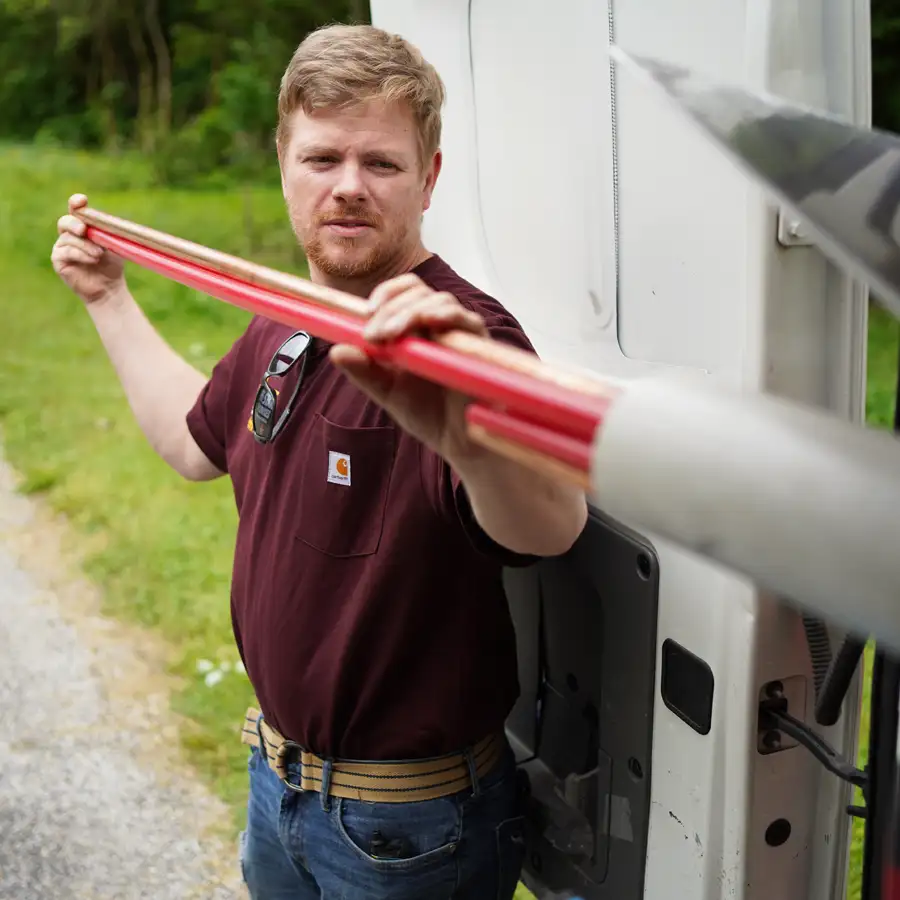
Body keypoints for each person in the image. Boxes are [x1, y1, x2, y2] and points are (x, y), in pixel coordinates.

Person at [50, 22, 588, 900]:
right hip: (278, 790)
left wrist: (460, 435)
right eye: (323, 158)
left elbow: (548, 524)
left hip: (408, 833)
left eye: (381, 163)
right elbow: (196, 445)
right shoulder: (288, 310)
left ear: (429, 178)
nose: (348, 188)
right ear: (283, 162)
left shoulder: (463, 337)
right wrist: (109, 299)